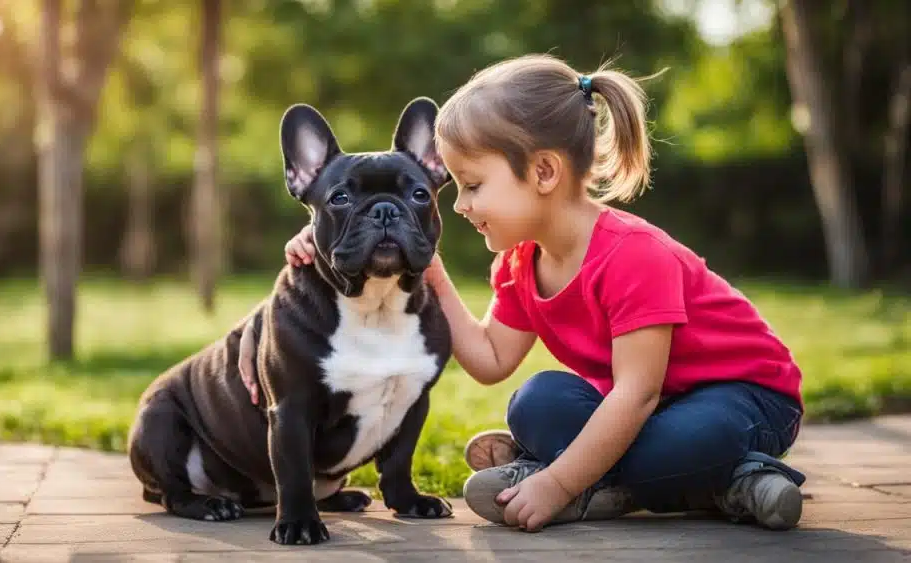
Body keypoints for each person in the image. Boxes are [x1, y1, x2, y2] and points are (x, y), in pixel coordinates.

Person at [237, 53, 806, 533]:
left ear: (543, 173)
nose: (459, 205)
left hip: (745, 399)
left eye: (473, 186)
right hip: (654, 409)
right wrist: (420, 263)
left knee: (698, 436)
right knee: (536, 403)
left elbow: (637, 395)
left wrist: (556, 483)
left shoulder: (634, 255)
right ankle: (644, 483)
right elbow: (489, 360)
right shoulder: (520, 263)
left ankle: (718, 480)